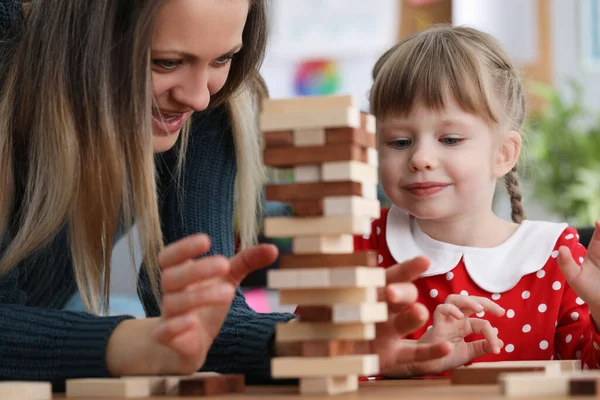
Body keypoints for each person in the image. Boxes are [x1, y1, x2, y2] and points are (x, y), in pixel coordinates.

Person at [0, 0, 451, 389]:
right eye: (166, 63)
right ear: (85, 39)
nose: (198, 97)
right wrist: (136, 345)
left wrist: (312, 343)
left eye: (223, 59)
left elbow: (208, 325)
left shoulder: (213, 106)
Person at [355, 24, 600, 376]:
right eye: (399, 141)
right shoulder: (358, 244)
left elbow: (591, 375)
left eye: (450, 139)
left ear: (503, 153)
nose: (420, 158)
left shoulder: (555, 257)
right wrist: (405, 361)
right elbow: (313, 364)